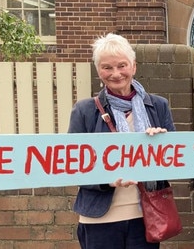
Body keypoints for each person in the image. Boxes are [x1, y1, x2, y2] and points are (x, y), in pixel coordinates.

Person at [68, 33, 176, 249]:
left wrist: (160, 145)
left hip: (144, 216)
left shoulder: (158, 106)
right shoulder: (85, 110)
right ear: (99, 71)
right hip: (99, 219)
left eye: (122, 65)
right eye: (107, 67)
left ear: (133, 66)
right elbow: (73, 166)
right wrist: (107, 180)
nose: (115, 74)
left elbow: (173, 163)